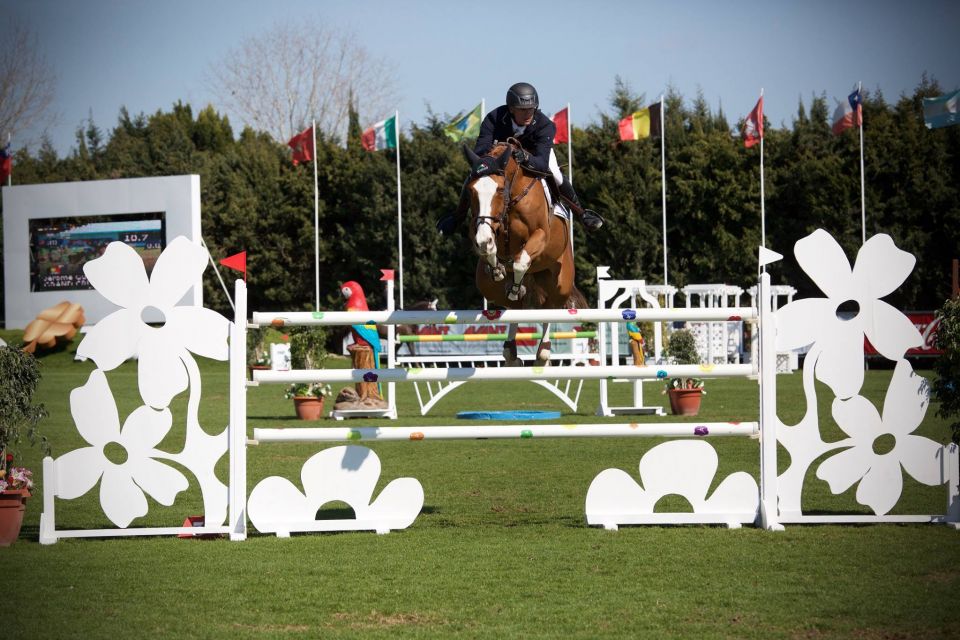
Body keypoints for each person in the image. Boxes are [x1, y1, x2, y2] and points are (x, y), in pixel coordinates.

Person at [437, 82, 604, 235]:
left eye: (532, 109)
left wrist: (525, 157)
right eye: (523, 110)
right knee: (474, 174)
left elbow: (541, 163)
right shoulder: (494, 118)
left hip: (535, 155)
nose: (528, 114)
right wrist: (491, 161)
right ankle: (457, 217)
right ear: (511, 109)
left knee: (555, 174)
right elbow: (481, 149)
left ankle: (581, 214)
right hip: (501, 156)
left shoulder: (545, 125)